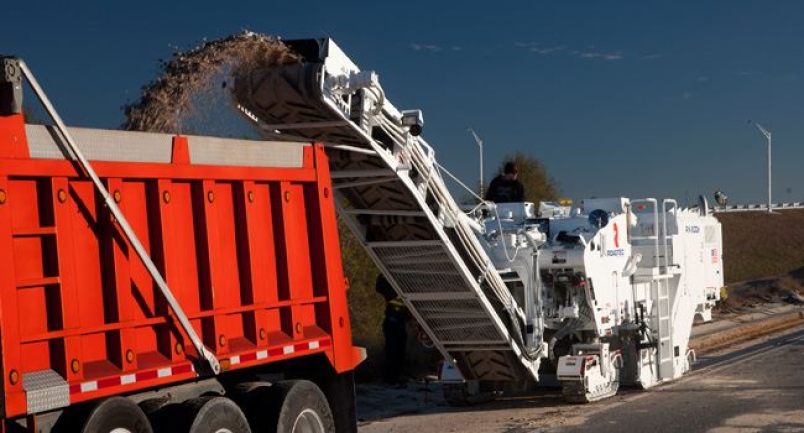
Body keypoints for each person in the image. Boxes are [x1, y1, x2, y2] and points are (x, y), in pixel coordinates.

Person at [375, 274, 408, 386]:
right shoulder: (390, 288)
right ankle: (390, 378)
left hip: (399, 323)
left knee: (399, 350)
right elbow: (379, 287)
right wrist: (383, 274)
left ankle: (396, 376)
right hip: (392, 322)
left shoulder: (406, 290)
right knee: (392, 351)